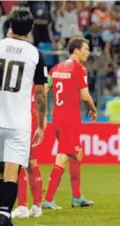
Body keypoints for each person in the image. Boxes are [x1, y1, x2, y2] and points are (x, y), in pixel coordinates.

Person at [0, 7, 47, 226]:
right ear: (31, 29)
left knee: (0, 169)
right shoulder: (35, 54)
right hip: (18, 122)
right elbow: (41, 94)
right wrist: (42, 124)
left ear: (10, 25)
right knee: (11, 172)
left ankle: (4, 217)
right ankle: (4, 216)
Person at [42, 37, 97, 209]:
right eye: (86, 49)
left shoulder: (55, 69)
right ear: (76, 50)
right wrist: (93, 109)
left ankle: (77, 197)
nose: (88, 52)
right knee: (63, 157)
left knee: (76, 155)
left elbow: (44, 90)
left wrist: (41, 114)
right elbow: (85, 96)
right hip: (70, 120)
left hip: (57, 119)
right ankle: (48, 199)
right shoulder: (79, 69)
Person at [11, 76, 52, 219]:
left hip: (22, 122)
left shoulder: (20, 79)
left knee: (18, 164)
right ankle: (37, 207)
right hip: (34, 120)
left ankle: (22, 206)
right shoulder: (39, 79)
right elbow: (44, 93)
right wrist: (43, 120)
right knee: (31, 163)